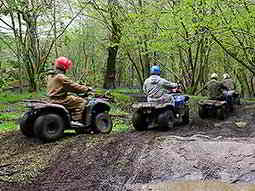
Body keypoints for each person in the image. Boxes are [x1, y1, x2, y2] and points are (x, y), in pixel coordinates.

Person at [47, 56, 92, 124]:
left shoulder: (51, 76)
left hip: (51, 98)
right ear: (64, 67)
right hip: (61, 99)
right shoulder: (61, 77)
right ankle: (76, 120)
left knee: (72, 97)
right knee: (81, 102)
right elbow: (74, 87)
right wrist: (86, 89)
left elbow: (63, 87)